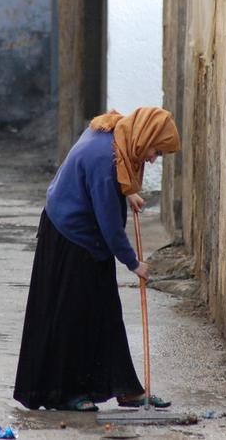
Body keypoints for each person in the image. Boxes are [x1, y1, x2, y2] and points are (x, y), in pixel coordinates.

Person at [13, 107, 181, 411]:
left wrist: (127, 192)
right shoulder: (104, 158)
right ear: (145, 135)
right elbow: (109, 225)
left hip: (81, 229)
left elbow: (107, 183)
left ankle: (127, 389)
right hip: (71, 237)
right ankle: (67, 394)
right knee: (72, 315)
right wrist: (134, 263)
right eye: (156, 150)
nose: (154, 158)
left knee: (104, 311)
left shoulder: (116, 129)